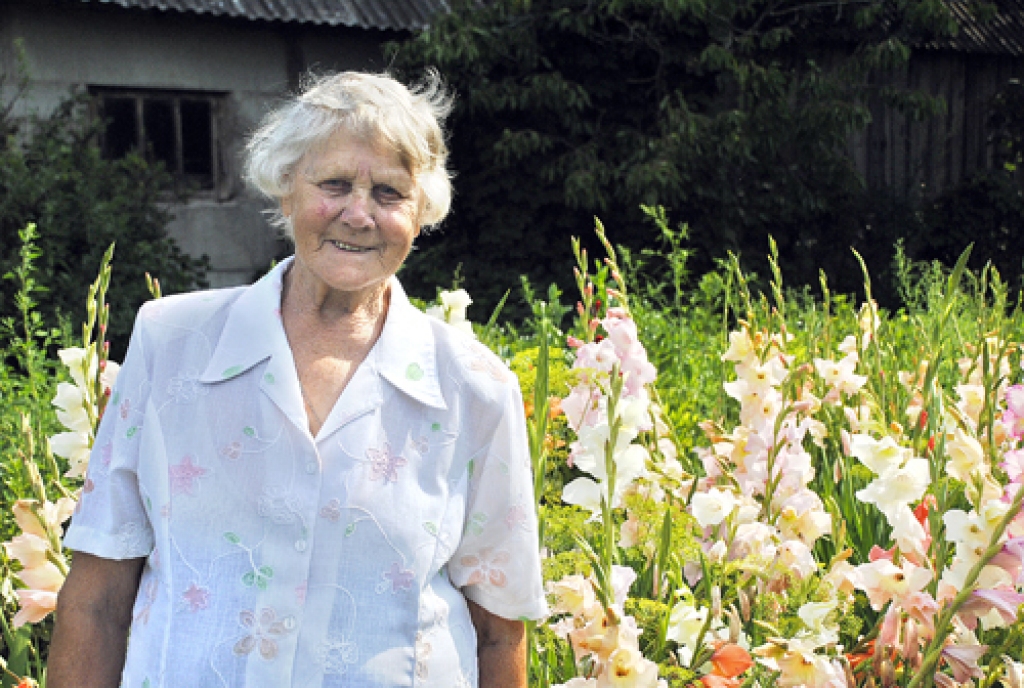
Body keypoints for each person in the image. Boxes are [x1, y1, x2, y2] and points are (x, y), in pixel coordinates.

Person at [49, 71, 548, 688]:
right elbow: (97, 597)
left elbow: (500, 629)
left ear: (421, 213)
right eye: (334, 183)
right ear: (285, 188)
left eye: (390, 193)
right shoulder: (172, 343)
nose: (358, 214)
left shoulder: (473, 387)